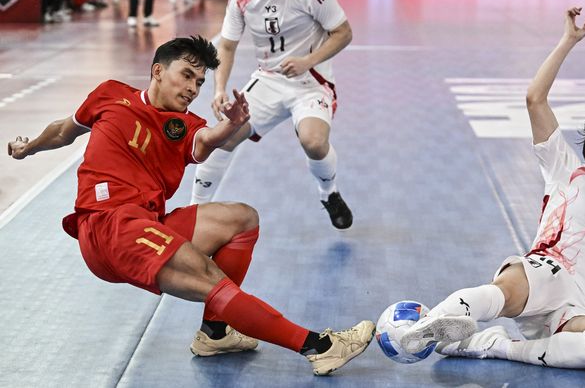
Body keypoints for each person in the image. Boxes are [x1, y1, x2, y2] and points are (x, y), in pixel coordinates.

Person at [7, 36, 375, 375]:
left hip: (149, 221)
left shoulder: (184, 125)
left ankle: (215, 333)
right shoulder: (109, 95)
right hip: (109, 226)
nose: (192, 88)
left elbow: (204, 141)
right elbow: (63, 130)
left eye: (199, 82)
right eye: (186, 76)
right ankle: (319, 346)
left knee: (242, 219)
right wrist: (29, 147)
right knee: (208, 278)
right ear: (157, 71)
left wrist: (229, 126)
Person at [399, 7, 585, 369]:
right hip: (545, 272)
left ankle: (495, 345)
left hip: (574, 311)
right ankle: (423, 329)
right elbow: (535, 99)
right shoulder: (569, 171)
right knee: (503, 290)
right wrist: (567, 42)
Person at [190, 0, 354, 230]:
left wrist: (308, 61)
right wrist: (219, 89)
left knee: (314, 143)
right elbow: (226, 45)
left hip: (310, 82)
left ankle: (328, 193)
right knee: (222, 137)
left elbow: (343, 33)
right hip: (267, 81)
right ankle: (193, 211)